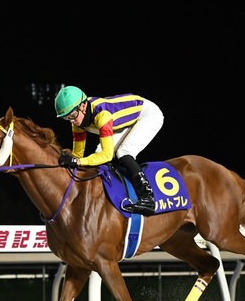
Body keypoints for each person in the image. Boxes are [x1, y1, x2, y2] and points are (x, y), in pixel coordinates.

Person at [54, 85, 164, 215]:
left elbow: (106, 155)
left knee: (123, 152)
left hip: (148, 114)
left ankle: (148, 198)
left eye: (73, 115)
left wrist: (77, 162)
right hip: (124, 121)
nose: (72, 121)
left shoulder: (102, 115)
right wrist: (69, 159)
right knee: (97, 155)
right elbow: (78, 154)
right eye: (66, 118)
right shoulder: (77, 120)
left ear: (83, 106)